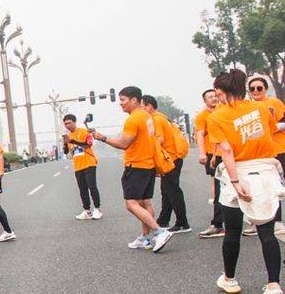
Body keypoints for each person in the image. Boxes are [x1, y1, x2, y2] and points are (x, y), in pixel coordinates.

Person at [208, 69, 285, 294]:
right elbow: (271, 130)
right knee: (267, 231)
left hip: (237, 172)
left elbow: (227, 151)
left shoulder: (216, 117)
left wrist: (234, 181)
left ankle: (230, 279)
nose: (217, 96)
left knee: (232, 231)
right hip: (265, 171)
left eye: (218, 92)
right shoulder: (262, 108)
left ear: (223, 91)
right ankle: (274, 287)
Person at [92, 86, 174, 253]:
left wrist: (102, 138)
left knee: (131, 204)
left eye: (123, 100)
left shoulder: (133, 119)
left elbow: (123, 143)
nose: (120, 103)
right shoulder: (147, 116)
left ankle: (159, 231)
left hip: (136, 165)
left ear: (134, 100)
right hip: (148, 165)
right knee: (145, 202)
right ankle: (146, 237)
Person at [142, 96, 191, 233]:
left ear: (149, 106)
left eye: (142, 107)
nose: (140, 110)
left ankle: (183, 223)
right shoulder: (161, 117)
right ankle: (163, 220)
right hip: (172, 158)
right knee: (167, 190)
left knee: (173, 191)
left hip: (171, 159)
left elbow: (159, 139)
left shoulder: (155, 119)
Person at [245, 77, 285, 236]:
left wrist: (269, 127)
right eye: (252, 88)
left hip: (279, 149)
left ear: (265, 89)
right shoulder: (248, 107)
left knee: (277, 185)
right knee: (262, 187)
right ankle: (262, 221)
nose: (255, 91)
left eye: (259, 88)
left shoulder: (275, 103)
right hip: (259, 153)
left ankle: (277, 221)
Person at [194, 89, 225, 239]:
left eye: (215, 96)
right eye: (210, 97)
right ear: (205, 101)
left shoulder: (224, 110)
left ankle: (254, 221)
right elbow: (200, 134)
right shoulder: (202, 116)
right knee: (219, 188)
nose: (213, 99)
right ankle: (218, 224)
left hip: (229, 153)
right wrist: (201, 153)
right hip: (214, 155)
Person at [62, 114, 101, 220]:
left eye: (69, 123)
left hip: (89, 163)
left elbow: (88, 144)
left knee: (92, 187)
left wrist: (72, 141)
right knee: (82, 189)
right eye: (65, 124)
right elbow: (66, 152)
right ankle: (87, 211)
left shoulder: (84, 131)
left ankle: (97, 209)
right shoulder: (68, 136)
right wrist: (65, 143)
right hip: (78, 166)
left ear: (75, 122)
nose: (67, 125)